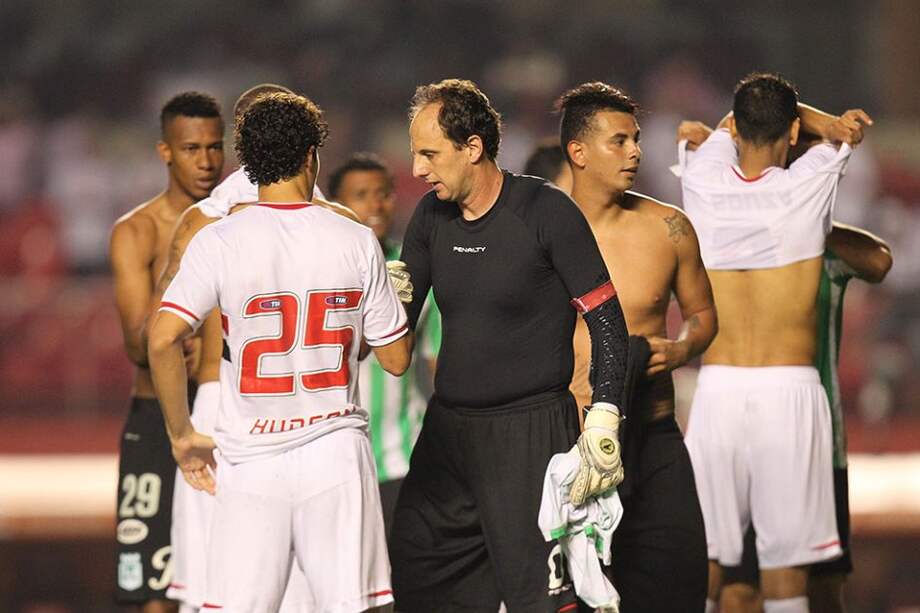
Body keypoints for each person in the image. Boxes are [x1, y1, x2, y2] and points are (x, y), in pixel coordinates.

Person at [148, 92, 410, 612]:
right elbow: (395, 360)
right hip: (335, 454)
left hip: (251, 459)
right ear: (312, 154)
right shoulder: (355, 237)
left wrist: (182, 436)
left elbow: (160, 339)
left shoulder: (217, 238)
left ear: (248, 159)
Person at [389, 78, 630, 612]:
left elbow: (608, 322)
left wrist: (604, 416)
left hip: (531, 435)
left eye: (429, 154)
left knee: (543, 602)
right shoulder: (429, 216)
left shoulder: (546, 211)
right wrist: (381, 302)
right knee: (416, 577)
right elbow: (394, 349)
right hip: (449, 434)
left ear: (472, 148)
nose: (417, 170)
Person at [676, 72, 872, 613]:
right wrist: (832, 125)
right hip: (788, 393)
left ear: (736, 130)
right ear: (792, 133)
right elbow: (842, 138)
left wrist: (736, 129)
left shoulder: (703, 178)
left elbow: (726, 122)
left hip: (718, 390)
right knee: (787, 572)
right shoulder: (810, 177)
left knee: (707, 563)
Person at [558, 81, 716, 612]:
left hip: (655, 434)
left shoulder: (668, 227)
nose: (635, 152)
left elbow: (703, 316)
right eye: (619, 141)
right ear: (578, 152)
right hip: (569, 443)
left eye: (636, 139)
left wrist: (683, 349)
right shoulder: (538, 233)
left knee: (677, 588)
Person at [718, 221, 892, 613]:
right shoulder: (725, 229)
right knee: (740, 589)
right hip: (741, 440)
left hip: (817, 445)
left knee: (823, 586)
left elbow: (879, 262)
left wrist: (806, 217)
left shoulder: (822, 244)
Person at [110, 91, 224, 612]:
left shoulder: (239, 222)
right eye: (191, 149)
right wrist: (182, 261)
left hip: (219, 413)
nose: (206, 162)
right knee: (151, 588)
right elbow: (139, 344)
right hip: (156, 417)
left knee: (221, 575)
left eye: (215, 147)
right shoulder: (137, 231)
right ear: (165, 152)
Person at [327, 153, 442, 534]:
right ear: (335, 205)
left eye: (384, 194)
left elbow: (438, 365)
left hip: (402, 458)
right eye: (361, 195)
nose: (375, 205)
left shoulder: (416, 271)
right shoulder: (318, 271)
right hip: (335, 462)